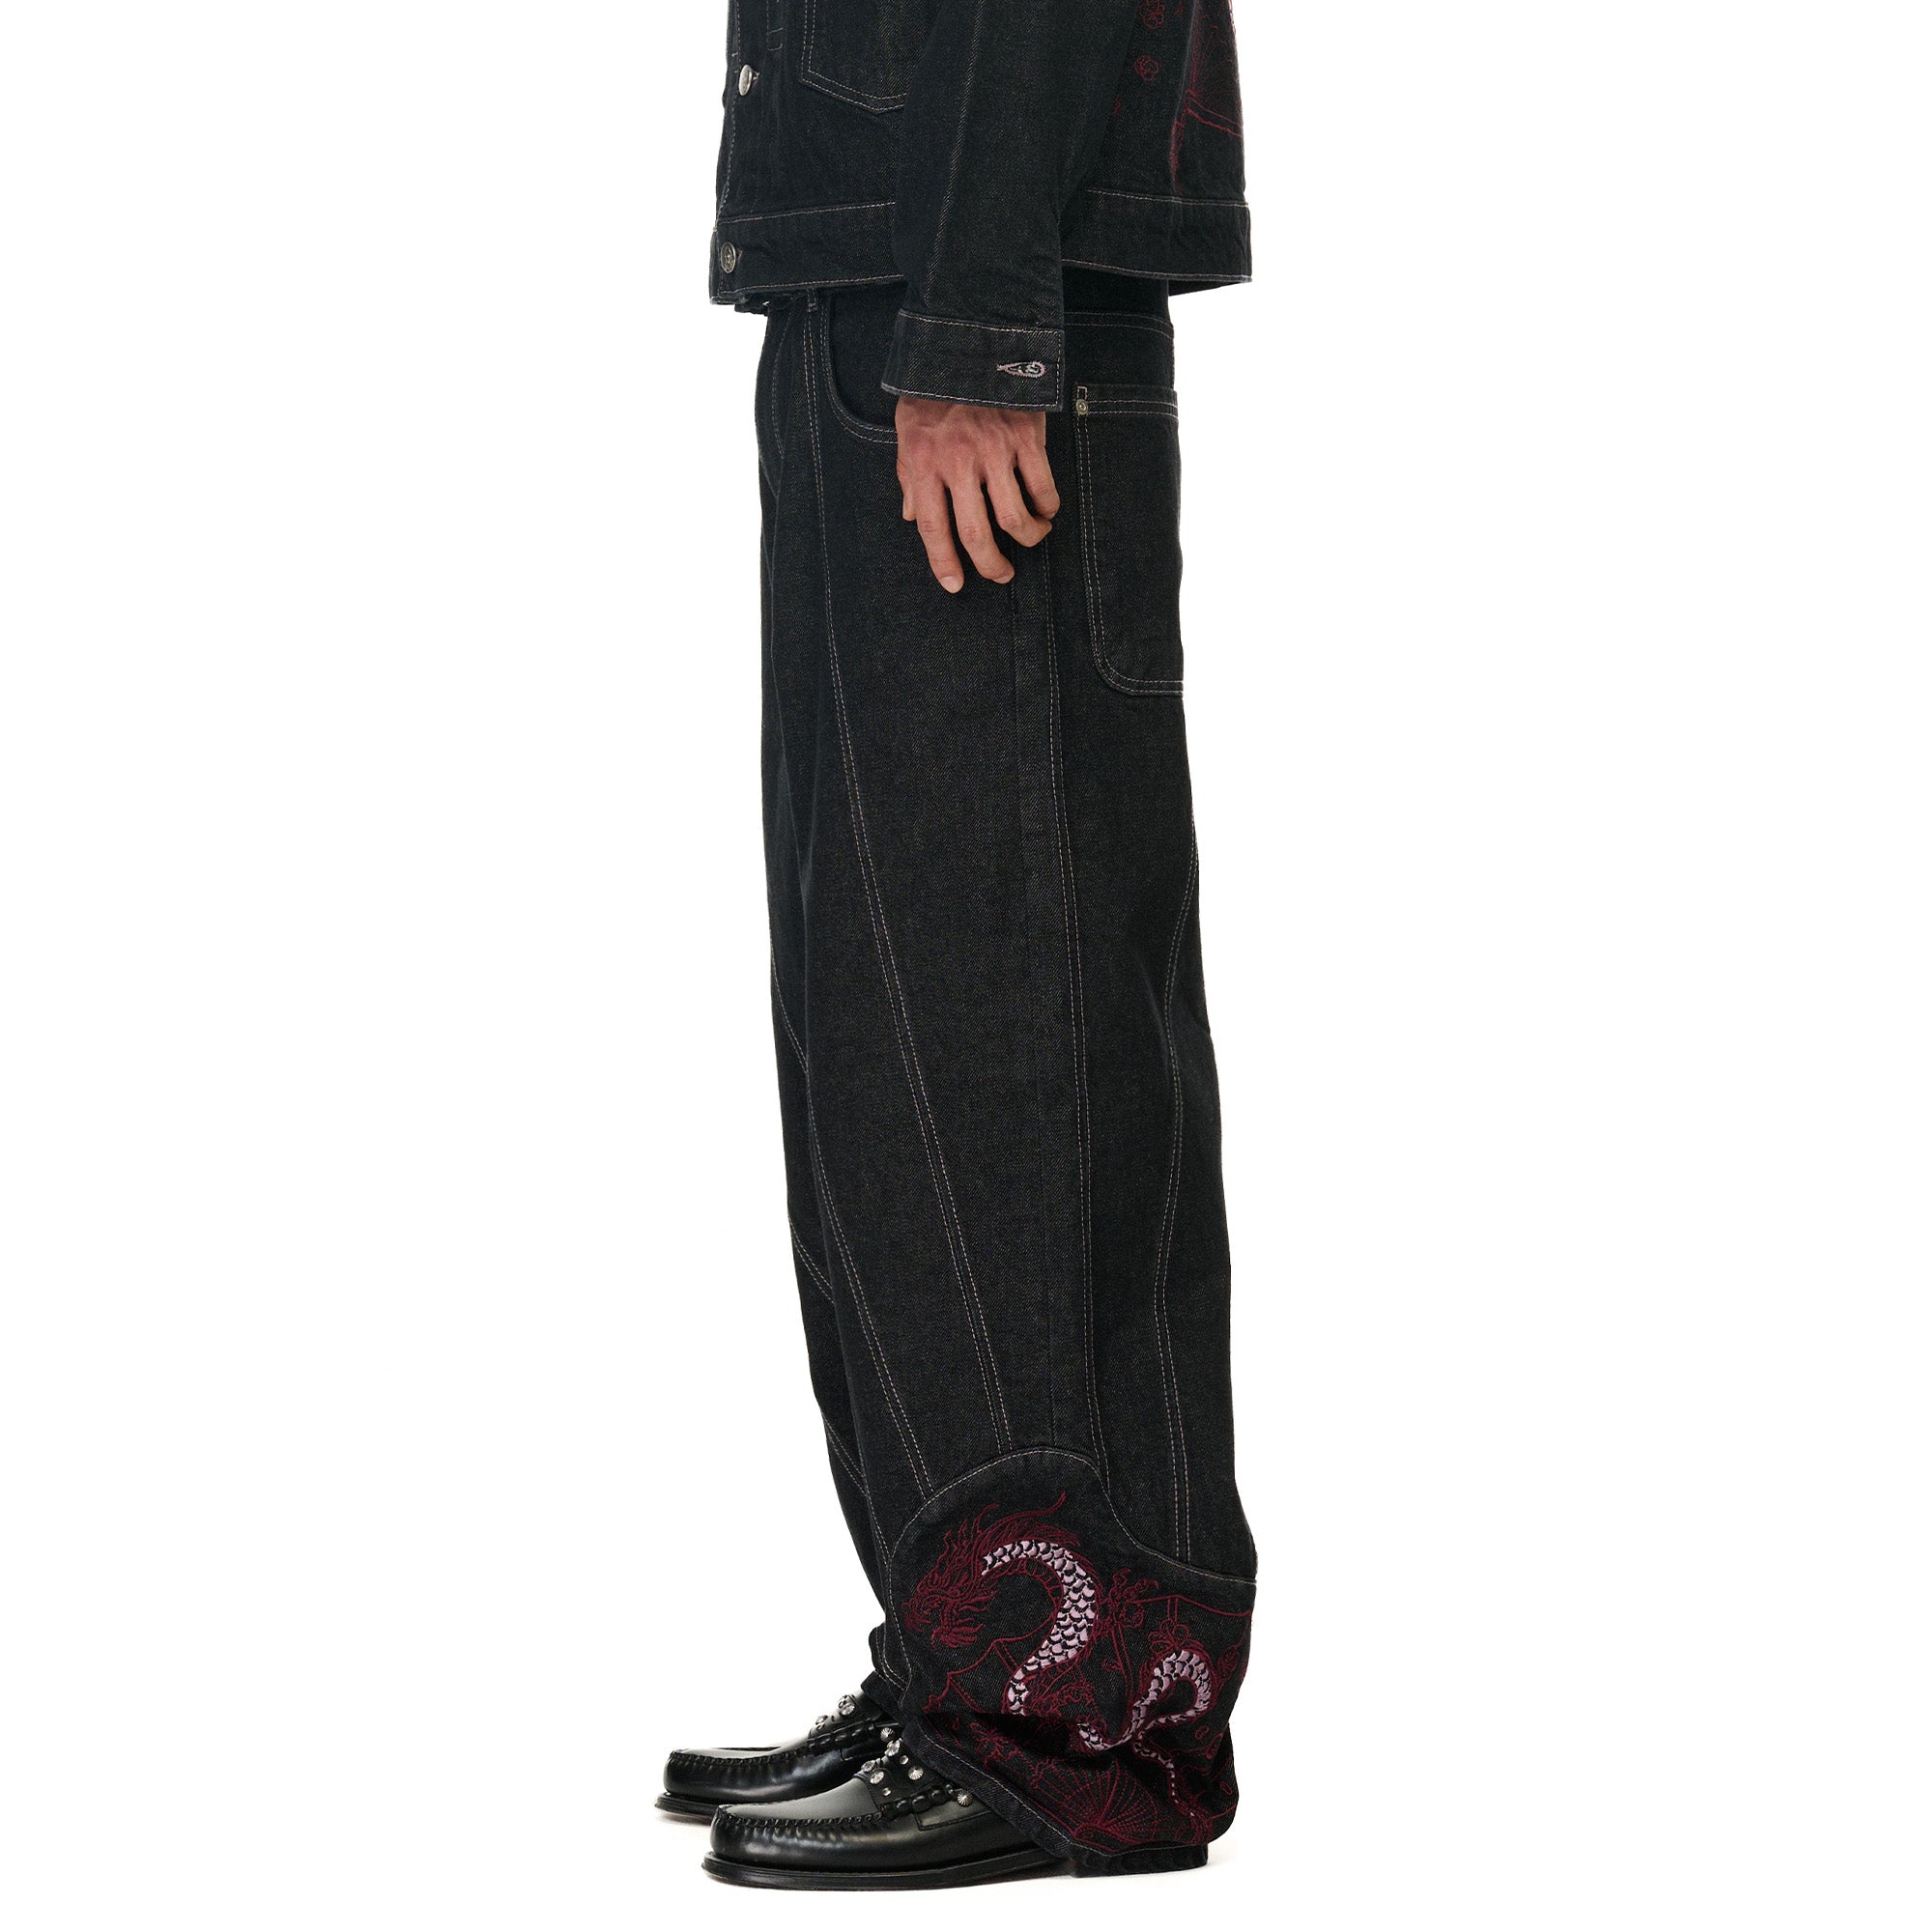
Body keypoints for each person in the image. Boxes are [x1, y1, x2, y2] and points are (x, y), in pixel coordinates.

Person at [661, 1, 1258, 1889]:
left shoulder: (970, 321)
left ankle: (1053, 1717)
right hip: (900, 284)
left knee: (990, 1016)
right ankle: (975, 1669)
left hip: (963, 302)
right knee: (898, 1001)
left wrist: (978, 324)